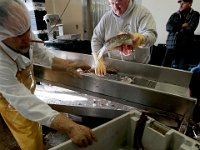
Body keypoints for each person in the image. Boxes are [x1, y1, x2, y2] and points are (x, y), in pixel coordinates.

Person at [0, 0, 96, 149]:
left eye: (28, 30)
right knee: (27, 132)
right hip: (10, 100)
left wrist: (68, 65)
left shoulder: (22, 30)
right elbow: (25, 102)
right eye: (19, 36)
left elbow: (42, 53)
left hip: (25, 93)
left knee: (36, 121)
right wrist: (70, 127)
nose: (27, 39)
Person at [91, 0, 157, 76]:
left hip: (139, 70)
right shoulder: (106, 17)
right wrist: (98, 60)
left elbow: (152, 36)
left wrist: (141, 39)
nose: (115, 7)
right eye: (112, 3)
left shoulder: (142, 13)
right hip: (113, 69)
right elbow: (96, 40)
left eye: (118, 3)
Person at [162, 0, 200, 70]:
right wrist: (182, 26)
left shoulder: (195, 14)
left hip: (184, 47)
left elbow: (190, 29)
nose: (181, 5)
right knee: (164, 68)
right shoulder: (175, 14)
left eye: (183, 3)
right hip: (171, 45)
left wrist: (175, 29)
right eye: (180, 3)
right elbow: (168, 27)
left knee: (181, 70)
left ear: (190, 4)